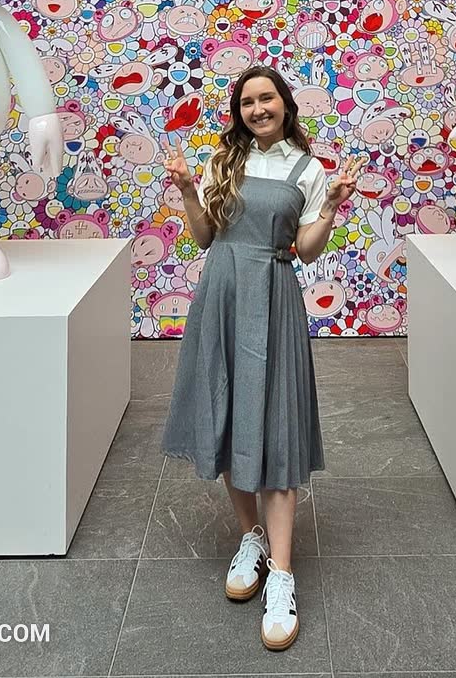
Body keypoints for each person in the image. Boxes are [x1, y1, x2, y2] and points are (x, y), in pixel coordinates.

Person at [160, 65, 362, 651]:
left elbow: (306, 250)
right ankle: (250, 536)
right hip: (222, 294)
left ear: (285, 104)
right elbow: (204, 236)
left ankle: (282, 574)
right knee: (228, 414)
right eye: (246, 102)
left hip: (272, 299)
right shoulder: (223, 160)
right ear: (239, 111)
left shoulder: (308, 170)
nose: (257, 109)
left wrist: (331, 207)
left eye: (266, 98)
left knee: (274, 424)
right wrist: (187, 191)